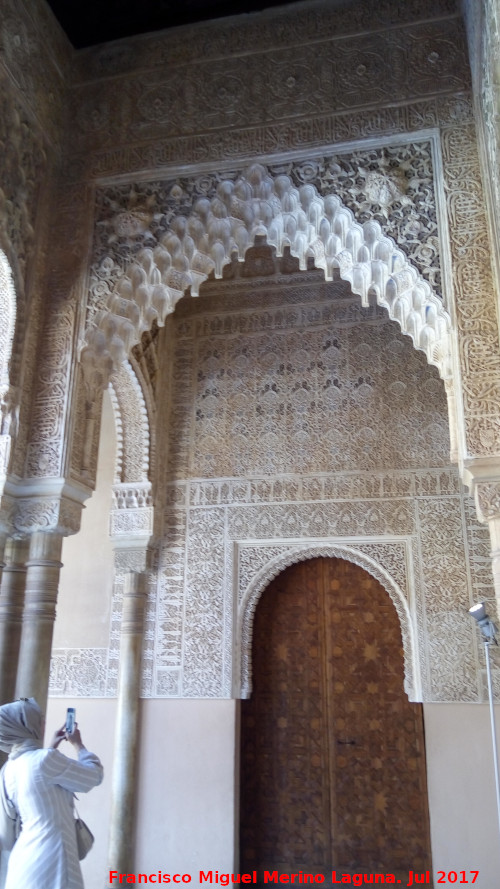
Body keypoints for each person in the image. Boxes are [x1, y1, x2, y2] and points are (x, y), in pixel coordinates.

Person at [0, 697, 103, 889]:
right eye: (38, 718)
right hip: (52, 856)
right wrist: (78, 745)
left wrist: (50, 748)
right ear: (24, 725)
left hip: (23, 859)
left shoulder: (9, 768)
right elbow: (94, 776)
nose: (44, 721)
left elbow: (38, 782)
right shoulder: (44, 760)